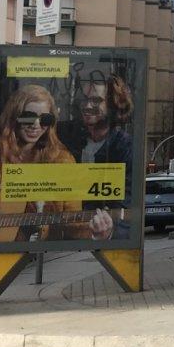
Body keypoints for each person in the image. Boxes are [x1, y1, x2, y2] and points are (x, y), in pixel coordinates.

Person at [0, 85, 112, 242]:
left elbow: (73, 221)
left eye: (45, 119)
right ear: (13, 117)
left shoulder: (62, 161)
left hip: (48, 253)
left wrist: (97, 233)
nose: (36, 125)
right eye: (28, 117)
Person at [65, 70, 135, 240]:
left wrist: (110, 231)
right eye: (84, 100)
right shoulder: (68, 138)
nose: (87, 106)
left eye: (96, 100)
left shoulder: (125, 147)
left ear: (113, 104)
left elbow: (127, 207)